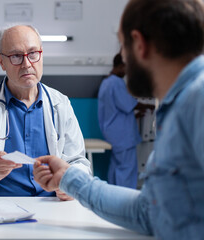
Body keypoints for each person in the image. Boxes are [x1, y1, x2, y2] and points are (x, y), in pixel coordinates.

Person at [33, 0, 204, 238]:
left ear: (139, 44)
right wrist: (69, 178)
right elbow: (150, 212)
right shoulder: (178, 106)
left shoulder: (198, 97)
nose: (122, 55)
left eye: (122, 45)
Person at [0, 24, 91, 200]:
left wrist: (71, 181)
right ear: (1, 62)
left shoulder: (60, 104)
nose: (27, 64)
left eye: (33, 53)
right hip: (1, 209)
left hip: (52, 206)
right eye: (16, 56)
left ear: (41, 54)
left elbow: (78, 161)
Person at [98, 53, 154, 188]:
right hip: (122, 136)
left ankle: (113, 196)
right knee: (127, 169)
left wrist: (136, 114)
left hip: (113, 132)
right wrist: (150, 106)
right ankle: (126, 198)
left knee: (117, 166)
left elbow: (116, 110)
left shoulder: (106, 82)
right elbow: (130, 104)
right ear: (121, 66)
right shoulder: (116, 83)